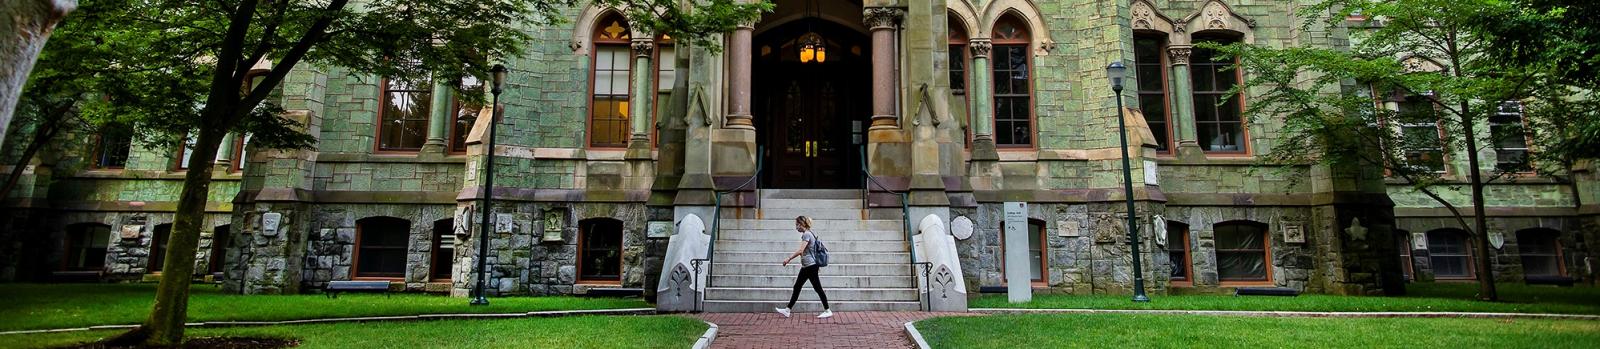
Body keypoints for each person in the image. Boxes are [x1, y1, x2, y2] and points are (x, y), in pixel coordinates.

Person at [776, 215, 832, 318]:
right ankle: (787, 310)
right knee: (798, 287)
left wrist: (788, 259)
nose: (796, 227)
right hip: (808, 266)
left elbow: (801, 250)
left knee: (817, 288)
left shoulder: (806, 234)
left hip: (810, 267)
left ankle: (827, 310)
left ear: (802, 224)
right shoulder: (809, 234)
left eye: (797, 225)